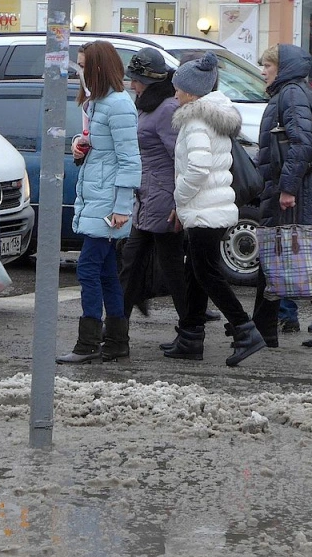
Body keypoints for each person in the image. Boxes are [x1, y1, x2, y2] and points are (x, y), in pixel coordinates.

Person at [162, 52, 265, 366]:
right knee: (195, 271)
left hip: (204, 209)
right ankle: (191, 336)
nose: (175, 93)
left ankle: (245, 329)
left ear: (192, 93)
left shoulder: (195, 121)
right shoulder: (214, 115)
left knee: (206, 273)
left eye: (178, 88)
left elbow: (197, 168)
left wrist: (180, 200)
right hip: (214, 207)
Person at [255, 44, 312, 349]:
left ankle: (262, 330)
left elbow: (302, 143)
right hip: (301, 186)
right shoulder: (296, 91)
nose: (263, 71)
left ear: (282, 67)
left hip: (297, 189)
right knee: (299, 254)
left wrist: (288, 188)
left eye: (267, 65)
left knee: (274, 253)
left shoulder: (291, 94)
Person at [57, 41, 140, 364]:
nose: (79, 71)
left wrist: (121, 207)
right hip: (97, 196)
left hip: (107, 202)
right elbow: (101, 147)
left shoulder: (117, 104)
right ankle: (116, 342)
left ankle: (89, 342)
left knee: (89, 269)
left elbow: (130, 160)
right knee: (104, 271)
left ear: (99, 68)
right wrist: (81, 144)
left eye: (83, 65)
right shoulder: (98, 103)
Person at [116, 48, 186, 346]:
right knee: (132, 264)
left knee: (171, 269)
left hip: (163, 202)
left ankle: (191, 331)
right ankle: (116, 332)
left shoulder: (166, 108)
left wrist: (178, 204)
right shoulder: (148, 105)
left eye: (138, 80)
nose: (133, 85)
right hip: (146, 200)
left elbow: (180, 159)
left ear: (152, 81)